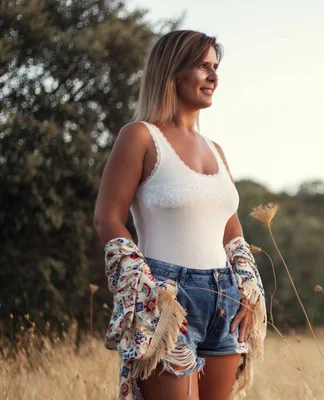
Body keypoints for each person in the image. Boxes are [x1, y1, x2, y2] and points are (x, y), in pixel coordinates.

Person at [94, 30, 263, 400]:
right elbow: (107, 218)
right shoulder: (139, 136)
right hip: (166, 297)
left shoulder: (215, 149)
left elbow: (231, 230)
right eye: (203, 66)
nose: (214, 77)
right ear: (174, 70)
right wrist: (146, 291)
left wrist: (250, 286)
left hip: (225, 299)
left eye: (215, 67)